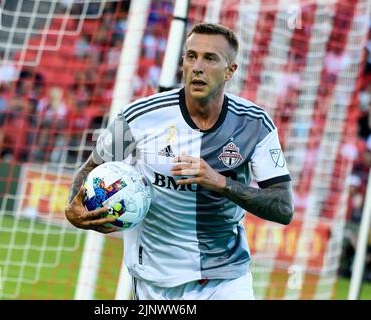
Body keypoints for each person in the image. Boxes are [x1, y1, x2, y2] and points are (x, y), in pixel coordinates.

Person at [65, 23, 294, 300]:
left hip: (224, 278)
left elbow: (283, 207)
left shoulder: (255, 124)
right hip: (154, 280)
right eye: (191, 56)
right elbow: (92, 167)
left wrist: (221, 183)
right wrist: (73, 206)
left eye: (210, 59)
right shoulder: (139, 116)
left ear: (230, 70)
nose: (198, 66)